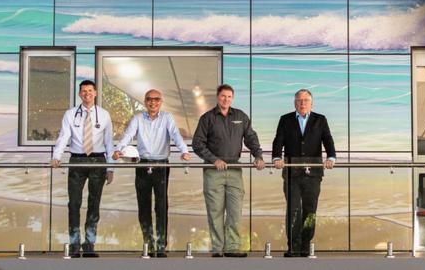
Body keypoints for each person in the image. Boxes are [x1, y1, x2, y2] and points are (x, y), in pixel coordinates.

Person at [112, 89, 190, 258]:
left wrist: (184, 151)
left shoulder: (167, 118)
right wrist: (118, 150)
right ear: (145, 102)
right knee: (144, 206)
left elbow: (176, 135)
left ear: (161, 102)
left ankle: (161, 246)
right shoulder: (138, 118)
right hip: (142, 165)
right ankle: (148, 243)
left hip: (161, 165)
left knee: (161, 206)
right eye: (149, 99)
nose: (152, 102)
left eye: (156, 99)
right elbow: (128, 135)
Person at [193, 84, 265, 257]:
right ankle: (217, 248)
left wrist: (258, 156)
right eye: (223, 96)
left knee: (235, 211)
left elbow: (251, 138)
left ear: (232, 98)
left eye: (229, 97)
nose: (226, 99)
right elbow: (197, 143)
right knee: (215, 211)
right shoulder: (207, 118)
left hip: (234, 170)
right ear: (217, 97)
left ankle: (232, 247)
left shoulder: (240, 116)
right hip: (213, 171)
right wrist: (213, 159)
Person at [51, 80, 114, 258]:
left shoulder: (104, 115)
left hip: (98, 161)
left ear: (95, 93)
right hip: (77, 161)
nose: (86, 94)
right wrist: (57, 156)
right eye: (83, 91)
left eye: (90, 91)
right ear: (79, 94)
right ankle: (74, 243)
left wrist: (111, 168)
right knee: (74, 203)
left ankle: (89, 244)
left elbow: (109, 142)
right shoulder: (71, 114)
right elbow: (64, 137)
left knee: (94, 204)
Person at [272, 89, 336, 257]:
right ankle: (293, 246)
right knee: (293, 210)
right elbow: (278, 140)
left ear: (311, 103)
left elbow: (328, 140)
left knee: (310, 210)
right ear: (295, 103)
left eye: (306, 100)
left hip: (313, 173)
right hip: (292, 172)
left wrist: (331, 157)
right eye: (299, 100)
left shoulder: (320, 120)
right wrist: (276, 157)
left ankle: (305, 245)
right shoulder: (285, 120)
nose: (302, 103)